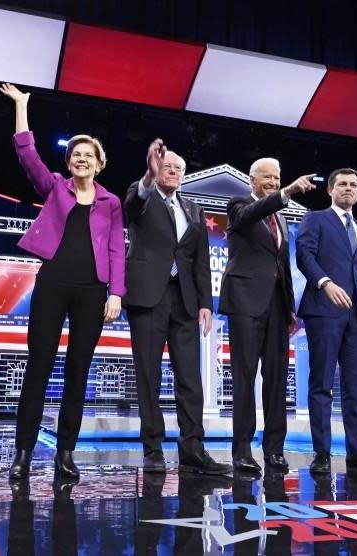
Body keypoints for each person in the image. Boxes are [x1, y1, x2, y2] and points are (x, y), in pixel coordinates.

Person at [0, 83, 125, 480]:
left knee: (78, 370)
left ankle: (65, 454)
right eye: (76, 154)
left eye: (88, 155)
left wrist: (117, 294)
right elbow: (26, 155)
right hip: (53, 283)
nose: (81, 159)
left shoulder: (112, 202)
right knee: (38, 366)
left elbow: (117, 252)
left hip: (92, 292)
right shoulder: (54, 186)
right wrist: (22, 107)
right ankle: (22, 454)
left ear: (99, 164)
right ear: (68, 161)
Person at [124, 138, 230, 476]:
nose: (173, 171)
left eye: (179, 169)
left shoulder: (194, 210)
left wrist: (205, 304)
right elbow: (132, 204)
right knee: (149, 376)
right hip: (148, 298)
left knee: (189, 377)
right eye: (168, 166)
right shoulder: (142, 196)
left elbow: (200, 260)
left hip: (184, 301)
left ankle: (193, 449)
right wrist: (148, 176)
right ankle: (153, 448)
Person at [219, 158, 316, 475]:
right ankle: (242, 451)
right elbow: (249, 215)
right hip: (245, 301)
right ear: (252, 179)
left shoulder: (281, 219)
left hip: (276, 306)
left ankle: (274, 449)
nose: (274, 181)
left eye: (278, 177)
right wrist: (286, 192)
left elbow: (281, 265)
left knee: (276, 381)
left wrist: (289, 306)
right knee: (244, 378)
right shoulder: (237, 205)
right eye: (268, 177)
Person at [296, 168, 357, 476]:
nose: (348, 188)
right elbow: (304, 256)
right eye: (343, 184)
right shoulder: (316, 219)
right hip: (324, 310)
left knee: (356, 388)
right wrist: (325, 282)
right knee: (321, 383)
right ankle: (322, 453)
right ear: (331, 190)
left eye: (354, 185)